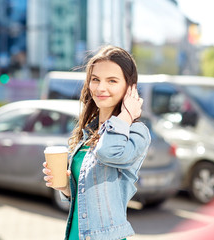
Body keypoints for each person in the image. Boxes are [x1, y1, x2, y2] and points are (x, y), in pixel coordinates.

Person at [42, 45, 151, 240]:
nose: (101, 88)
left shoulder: (136, 132)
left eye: (112, 81)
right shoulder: (89, 131)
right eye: (95, 79)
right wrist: (66, 188)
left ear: (129, 87)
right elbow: (86, 196)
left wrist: (126, 114)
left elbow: (107, 152)